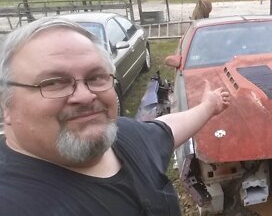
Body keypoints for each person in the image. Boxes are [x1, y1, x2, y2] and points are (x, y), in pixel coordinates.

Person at [0, 17, 231, 215]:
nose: (85, 96)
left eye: (95, 77)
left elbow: (164, 130)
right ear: (5, 106)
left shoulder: (124, 135)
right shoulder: (13, 201)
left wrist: (209, 106)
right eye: (54, 83)